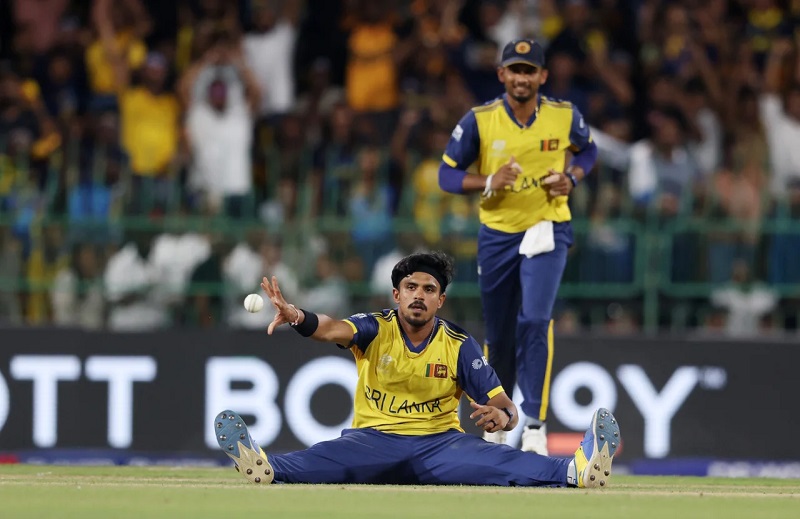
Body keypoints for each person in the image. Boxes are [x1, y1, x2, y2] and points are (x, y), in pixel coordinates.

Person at [214, 252, 619, 487]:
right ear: (397, 294)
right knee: (328, 458)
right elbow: (331, 328)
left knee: (503, 463)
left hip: (440, 446)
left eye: (429, 289)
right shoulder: (375, 327)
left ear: (440, 300)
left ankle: (577, 470)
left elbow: (504, 406)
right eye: (411, 288)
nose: (418, 296)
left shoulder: (458, 344)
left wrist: (504, 417)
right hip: (373, 440)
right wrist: (297, 316)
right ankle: (265, 466)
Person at [437, 39, 599, 454]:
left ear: (543, 76)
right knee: (499, 334)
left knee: (535, 320)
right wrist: (489, 181)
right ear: (501, 74)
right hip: (497, 234)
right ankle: (498, 421)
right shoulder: (481, 120)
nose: (521, 78)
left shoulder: (564, 115)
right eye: (515, 70)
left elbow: (588, 150)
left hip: (547, 227)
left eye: (529, 70)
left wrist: (572, 178)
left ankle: (535, 427)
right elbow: (446, 175)